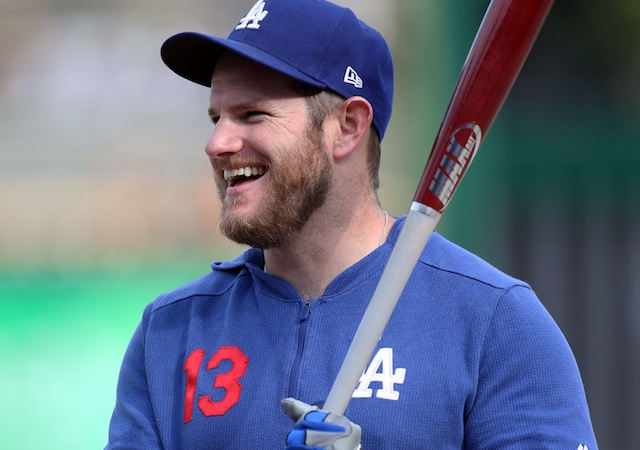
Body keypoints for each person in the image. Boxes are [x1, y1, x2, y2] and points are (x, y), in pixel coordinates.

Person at [106, 0, 598, 448]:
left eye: (252, 114)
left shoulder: (494, 323)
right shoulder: (171, 332)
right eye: (216, 118)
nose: (218, 144)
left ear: (347, 127)